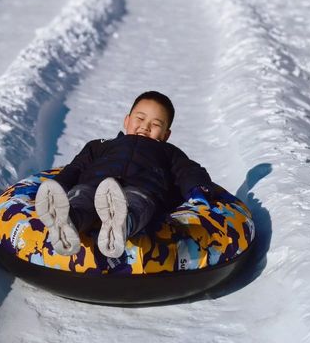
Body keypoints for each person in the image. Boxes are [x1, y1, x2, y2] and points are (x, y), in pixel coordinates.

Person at [35, 91, 214, 259]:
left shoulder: (169, 152)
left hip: (142, 189)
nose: (145, 127)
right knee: (82, 196)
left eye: (156, 124)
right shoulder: (100, 146)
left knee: (138, 203)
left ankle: (121, 225)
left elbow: (188, 170)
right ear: (127, 120)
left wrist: (197, 189)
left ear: (166, 134)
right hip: (95, 186)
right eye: (140, 118)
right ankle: (68, 222)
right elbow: (76, 167)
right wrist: (59, 185)